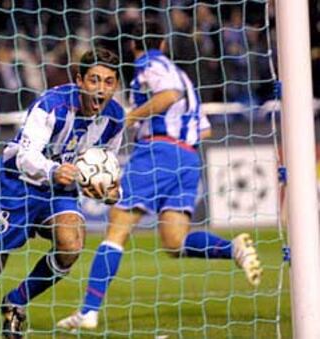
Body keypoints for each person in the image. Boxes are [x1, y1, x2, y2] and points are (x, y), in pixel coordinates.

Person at [57, 20, 263, 331]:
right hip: (189, 156)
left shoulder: (148, 63)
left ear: (131, 46)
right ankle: (231, 248)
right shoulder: (181, 72)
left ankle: (88, 311)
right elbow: (204, 127)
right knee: (174, 241)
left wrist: (132, 117)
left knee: (118, 228)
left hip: (158, 151)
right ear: (164, 43)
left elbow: (168, 95)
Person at [0, 47, 125, 338]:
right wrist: (54, 170)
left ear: (116, 85)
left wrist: (109, 190)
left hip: (57, 192)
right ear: (80, 81)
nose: (101, 90)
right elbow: (25, 157)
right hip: (14, 185)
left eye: (108, 82)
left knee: (70, 246)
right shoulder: (51, 105)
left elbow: (106, 165)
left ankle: (16, 300)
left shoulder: (115, 119)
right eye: (94, 80)